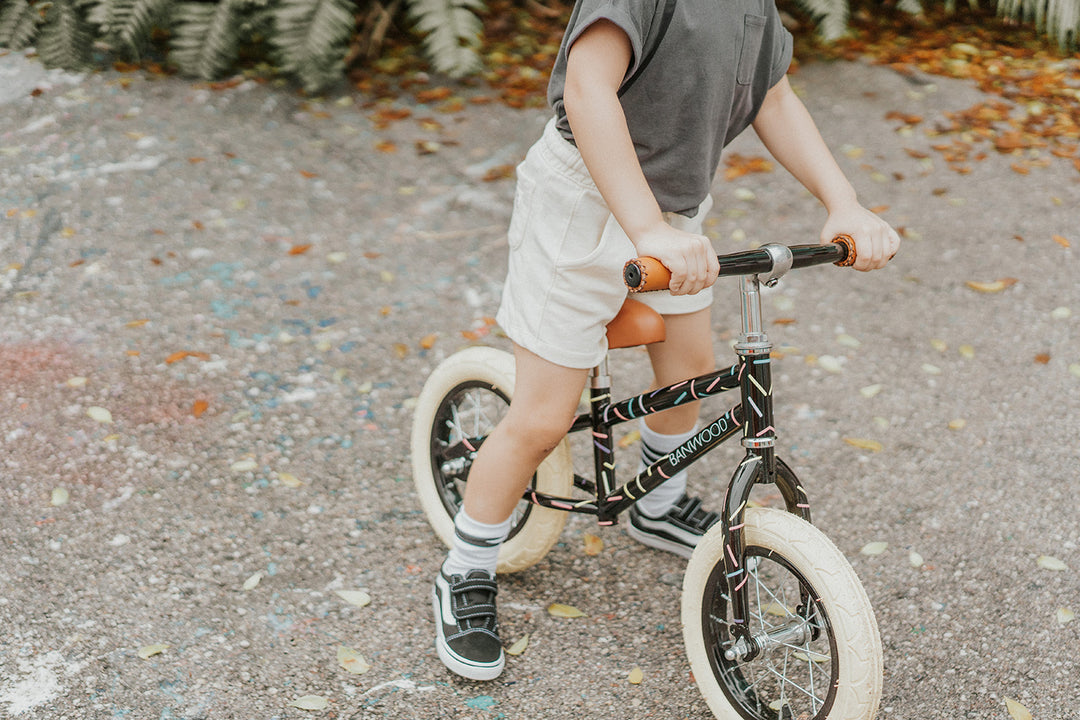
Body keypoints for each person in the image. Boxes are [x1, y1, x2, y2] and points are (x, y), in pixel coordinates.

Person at [431, 0, 902, 681]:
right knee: (542, 418)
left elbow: (774, 97)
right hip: (581, 204)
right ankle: (467, 566)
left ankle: (656, 505)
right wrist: (645, 227)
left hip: (674, 217)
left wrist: (843, 201)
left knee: (690, 375)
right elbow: (588, 89)